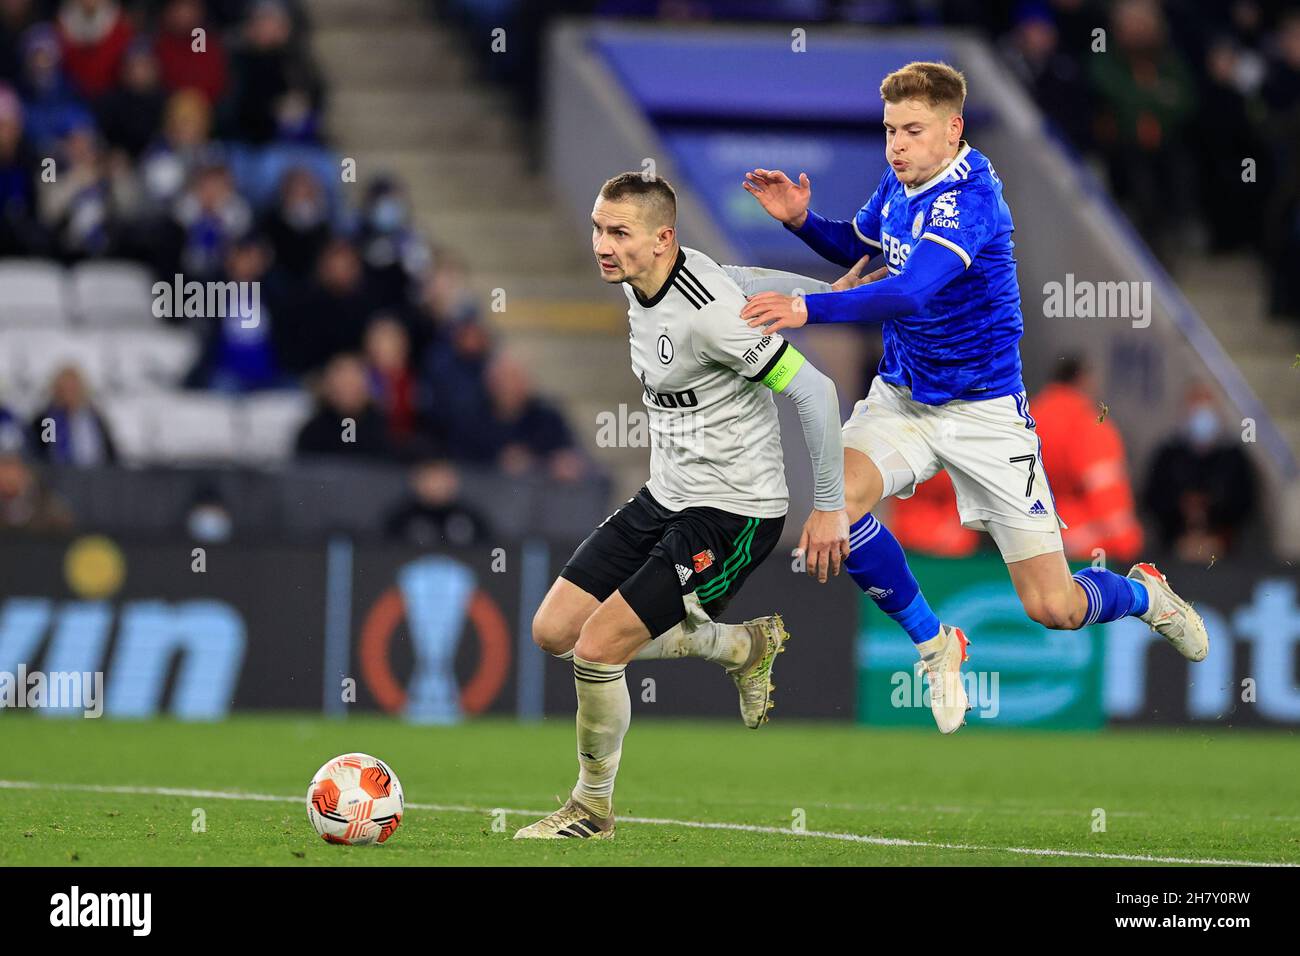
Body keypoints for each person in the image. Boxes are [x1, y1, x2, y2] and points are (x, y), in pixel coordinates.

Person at [740, 60, 1207, 736]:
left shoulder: (972, 198)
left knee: (1054, 607)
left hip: (986, 415)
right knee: (834, 501)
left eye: (913, 130)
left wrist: (807, 307)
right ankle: (936, 644)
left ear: (953, 130)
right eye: (890, 130)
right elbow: (863, 244)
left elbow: (908, 290)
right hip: (903, 400)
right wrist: (802, 220)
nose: (897, 144)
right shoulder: (901, 183)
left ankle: (1142, 595)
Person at [514, 172, 848, 840]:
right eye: (597, 228)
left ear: (662, 239)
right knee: (552, 632)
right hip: (665, 496)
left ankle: (591, 809)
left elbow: (815, 392)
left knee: (600, 648)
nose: (601, 245)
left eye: (618, 233)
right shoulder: (662, 277)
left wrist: (830, 507)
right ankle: (740, 645)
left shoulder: (707, 316)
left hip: (734, 513)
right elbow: (743, 279)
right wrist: (826, 295)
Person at [1032, 356, 1143, 564]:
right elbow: (1105, 487)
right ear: (1083, 380)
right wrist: (1127, 544)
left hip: (1032, 532)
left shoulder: (1031, 416)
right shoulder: (1084, 421)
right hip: (1080, 542)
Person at [1143, 384, 1257, 561]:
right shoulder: (1169, 455)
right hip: (1174, 547)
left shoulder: (1233, 457)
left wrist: (1214, 511)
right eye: (1196, 407)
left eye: (1207, 407)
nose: (1202, 416)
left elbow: (1246, 502)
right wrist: (1181, 509)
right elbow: (1152, 498)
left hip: (1225, 548)